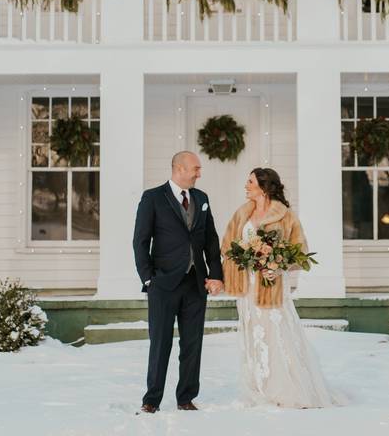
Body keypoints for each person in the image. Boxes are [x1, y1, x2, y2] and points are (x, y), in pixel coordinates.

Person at [220, 167, 340, 408]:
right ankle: (259, 386)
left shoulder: (285, 216)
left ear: (264, 188)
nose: (246, 185)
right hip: (246, 287)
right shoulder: (241, 214)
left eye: (250, 182)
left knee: (276, 333)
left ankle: (284, 387)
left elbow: (301, 255)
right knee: (252, 332)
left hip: (272, 285)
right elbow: (227, 247)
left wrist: (277, 266)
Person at [133, 151, 224, 414]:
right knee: (160, 343)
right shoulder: (153, 197)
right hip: (163, 283)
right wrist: (148, 278)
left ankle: (185, 397)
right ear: (179, 168)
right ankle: (152, 399)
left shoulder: (201, 198)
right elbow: (140, 240)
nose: (199, 173)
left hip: (196, 282)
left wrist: (215, 274)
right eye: (195, 168)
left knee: (192, 343)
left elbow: (210, 240)